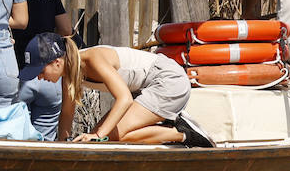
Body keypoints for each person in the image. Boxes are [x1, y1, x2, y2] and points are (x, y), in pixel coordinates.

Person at [66, 45, 213, 146]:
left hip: (168, 80)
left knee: (104, 137)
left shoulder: (92, 57)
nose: (41, 77)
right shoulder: (67, 72)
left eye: (42, 69)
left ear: (57, 62)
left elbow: (124, 99)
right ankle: (165, 126)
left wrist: (98, 136)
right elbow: (66, 113)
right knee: (97, 137)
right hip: (146, 88)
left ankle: (183, 133)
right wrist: (63, 142)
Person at [16, 32, 81, 141]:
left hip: (27, 82)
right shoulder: (67, 75)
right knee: (44, 140)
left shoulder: (90, 63)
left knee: (18, 133)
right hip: (52, 87)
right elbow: (67, 114)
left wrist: (97, 134)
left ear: (57, 63)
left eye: (40, 72)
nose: (39, 78)